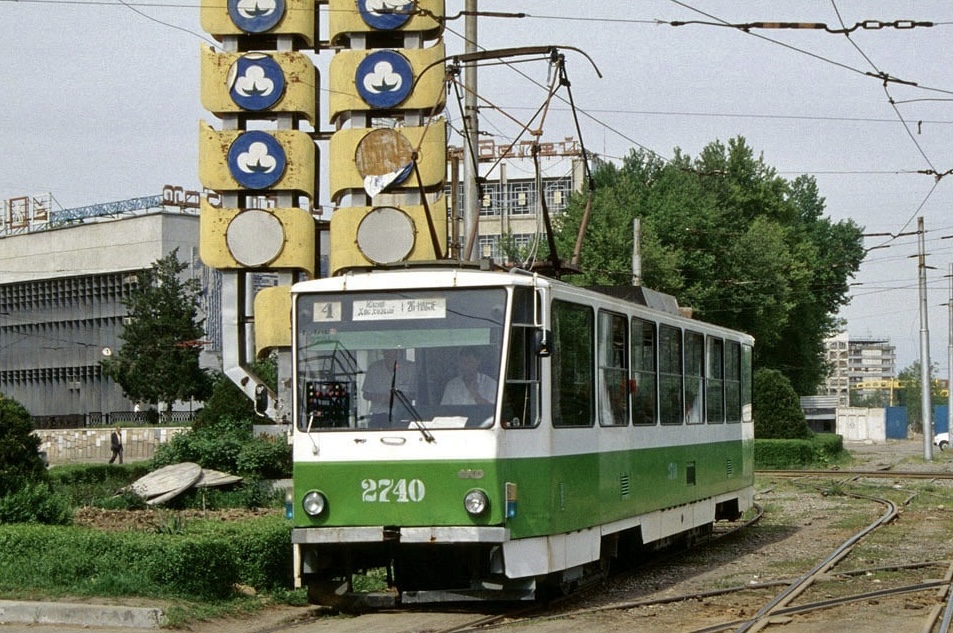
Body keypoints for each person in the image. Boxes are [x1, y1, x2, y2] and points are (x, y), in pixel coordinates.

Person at [363, 349, 418, 414]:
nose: (390, 353)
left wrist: (400, 399)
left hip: (404, 414)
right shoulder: (374, 368)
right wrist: (384, 398)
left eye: (393, 350)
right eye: (387, 350)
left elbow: (417, 393)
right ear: (383, 352)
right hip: (379, 414)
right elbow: (366, 394)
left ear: (398, 351)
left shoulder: (410, 368)